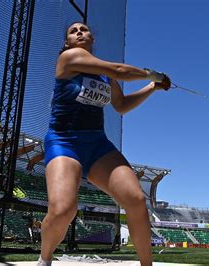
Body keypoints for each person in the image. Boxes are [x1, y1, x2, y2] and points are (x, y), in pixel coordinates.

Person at [37, 22, 171, 266]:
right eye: (73, 30)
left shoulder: (105, 76)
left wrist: (152, 88)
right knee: (63, 210)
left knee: (136, 200)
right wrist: (154, 75)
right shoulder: (69, 58)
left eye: (84, 29)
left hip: (97, 144)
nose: (79, 31)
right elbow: (119, 69)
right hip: (64, 141)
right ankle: (44, 259)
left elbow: (121, 106)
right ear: (67, 42)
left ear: (91, 39)